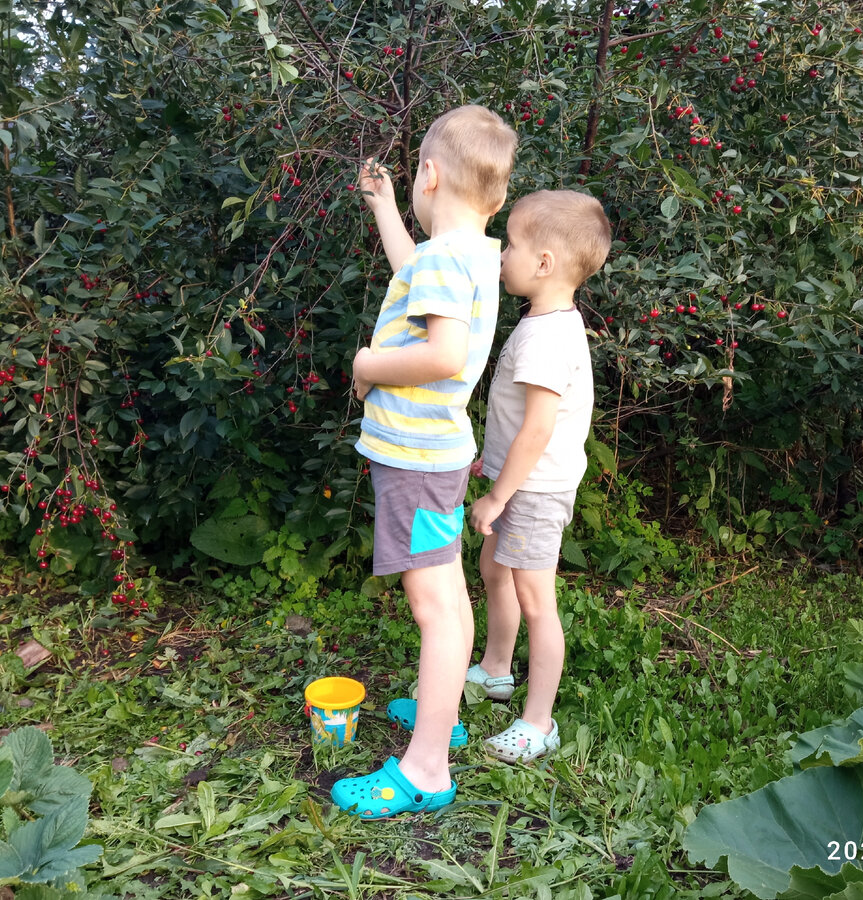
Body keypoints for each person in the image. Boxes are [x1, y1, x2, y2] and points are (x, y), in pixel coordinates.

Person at [331, 105, 517, 819]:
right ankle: (443, 714)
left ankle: (426, 769)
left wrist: (367, 364)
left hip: (414, 461)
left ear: (430, 175)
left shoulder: (446, 259)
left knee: (433, 607)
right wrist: (385, 207)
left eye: (410, 178)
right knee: (450, 596)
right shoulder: (472, 256)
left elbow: (441, 354)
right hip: (438, 457)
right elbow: (415, 274)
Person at [466, 189, 611, 764]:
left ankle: (538, 722)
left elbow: (538, 429)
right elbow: (518, 421)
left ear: (544, 263)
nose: (503, 254)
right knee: (493, 570)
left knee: (536, 601)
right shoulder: (544, 322)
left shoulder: (547, 339)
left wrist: (497, 495)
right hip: (518, 481)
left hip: (534, 491)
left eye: (512, 245)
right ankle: (496, 669)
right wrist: (494, 462)